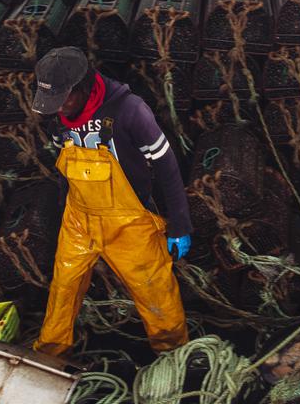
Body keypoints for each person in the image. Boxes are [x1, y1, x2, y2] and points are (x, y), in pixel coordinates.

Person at [30, 47, 192, 357]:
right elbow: (65, 169)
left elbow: (167, 166)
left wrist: (179, 224)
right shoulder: (57, 117)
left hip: (129, 225)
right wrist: (67, 209)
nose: (58, 109)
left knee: (156, 294)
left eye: (63, 99)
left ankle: (174, 356)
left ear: (83, 87)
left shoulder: (130, 111)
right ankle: (48, 355)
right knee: (63, 290)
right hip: (78, 220)